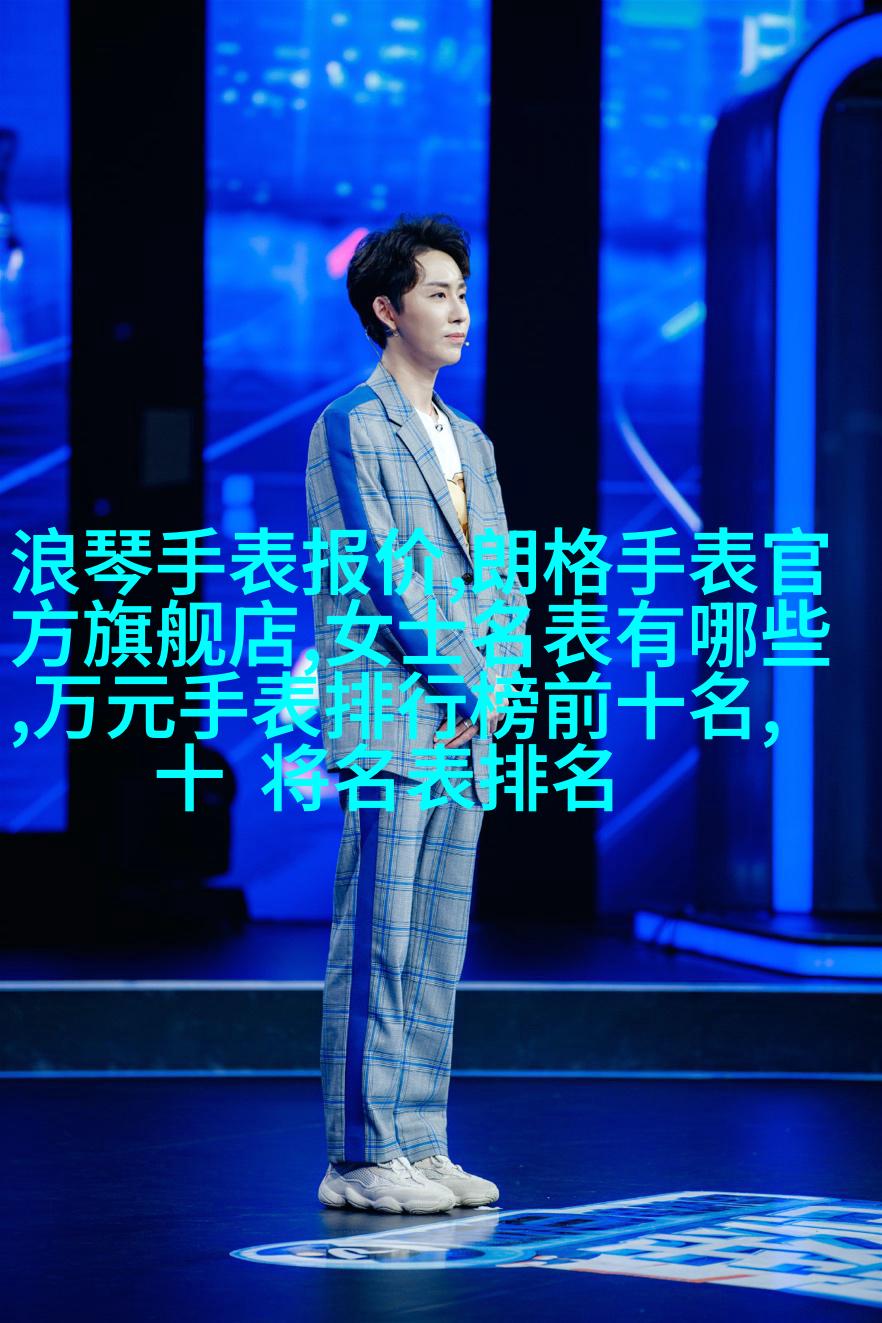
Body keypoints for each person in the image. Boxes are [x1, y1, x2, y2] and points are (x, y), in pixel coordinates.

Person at [305, 213, 527, 1214]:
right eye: (438, 294)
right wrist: (462, 684)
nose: (459, 312)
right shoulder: (352, 423)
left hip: (466, 730)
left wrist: (499, 685)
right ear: (386, 309)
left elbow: (503, 580)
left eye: (462, 294)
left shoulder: (470, 440)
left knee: (436, 947)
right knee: (379, 942)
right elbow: (377, 573)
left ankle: (421, 1143)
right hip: (393, 717)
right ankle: (360, 1154)